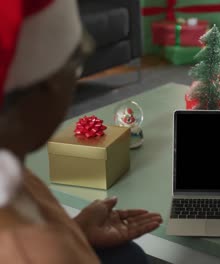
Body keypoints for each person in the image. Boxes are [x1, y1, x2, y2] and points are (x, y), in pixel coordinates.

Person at [0, 0, 162, 263]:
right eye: (77, 65)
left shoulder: (14, 168)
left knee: (128, 254)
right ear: (48, 86)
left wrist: (77, 230)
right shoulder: (40, 251)